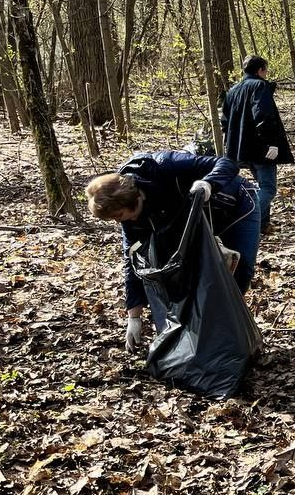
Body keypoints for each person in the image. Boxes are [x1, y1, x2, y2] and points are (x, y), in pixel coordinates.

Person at [84, 151, 261, 355]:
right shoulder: (131, 220)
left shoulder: (162, 166)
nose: (119, 222)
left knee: (241, 268)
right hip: (195, 221)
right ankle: (210, 339)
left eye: (119, 216)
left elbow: (227, 164)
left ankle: (233, 334)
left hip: (235, 205)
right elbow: (132, 261)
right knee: (199, 277)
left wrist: (208, 183)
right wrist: (134, 315)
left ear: (130, 200)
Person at [220, 55, 293, 235]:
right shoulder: (260, 86)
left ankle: (262, 225)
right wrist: (272, 143)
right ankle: (243, 219)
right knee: (268, 188)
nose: (266, 74)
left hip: (240, 149)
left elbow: (225, 122)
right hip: (260, 147)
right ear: (260, 70)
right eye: (265, 70)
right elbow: (263, 115)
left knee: (262, 185)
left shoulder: (232, 90)